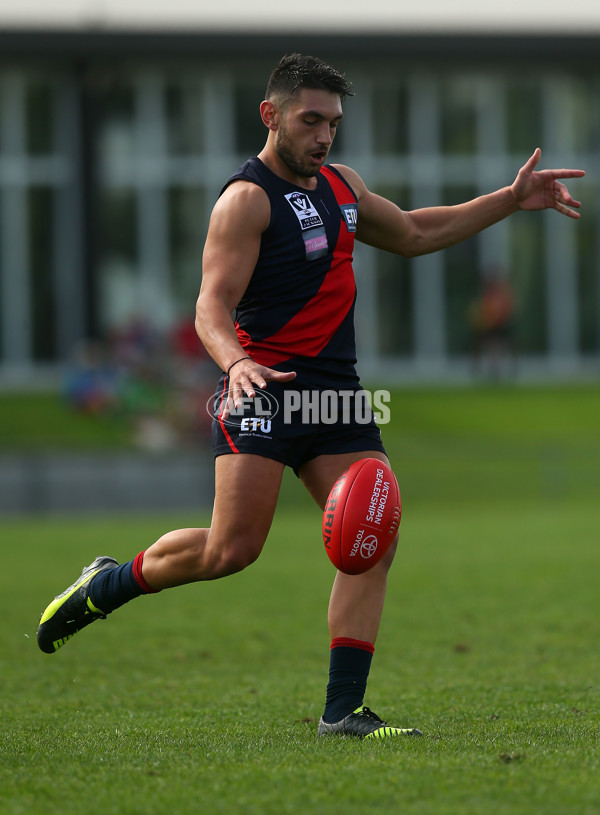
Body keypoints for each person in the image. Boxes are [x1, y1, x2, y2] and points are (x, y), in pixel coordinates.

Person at [37, 54, 584, 740]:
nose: (325, 135)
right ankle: (106, 583)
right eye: (311, 120)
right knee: (230, 552)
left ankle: (342, 711)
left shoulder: (342, 186)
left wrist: (509, 199)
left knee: (373, 533)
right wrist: (236, 362)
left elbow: (414, 232)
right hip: (263, 390)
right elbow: (210, 303)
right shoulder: (246, 199)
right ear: (272, 116)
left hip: (336, 396)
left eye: (334, 122)